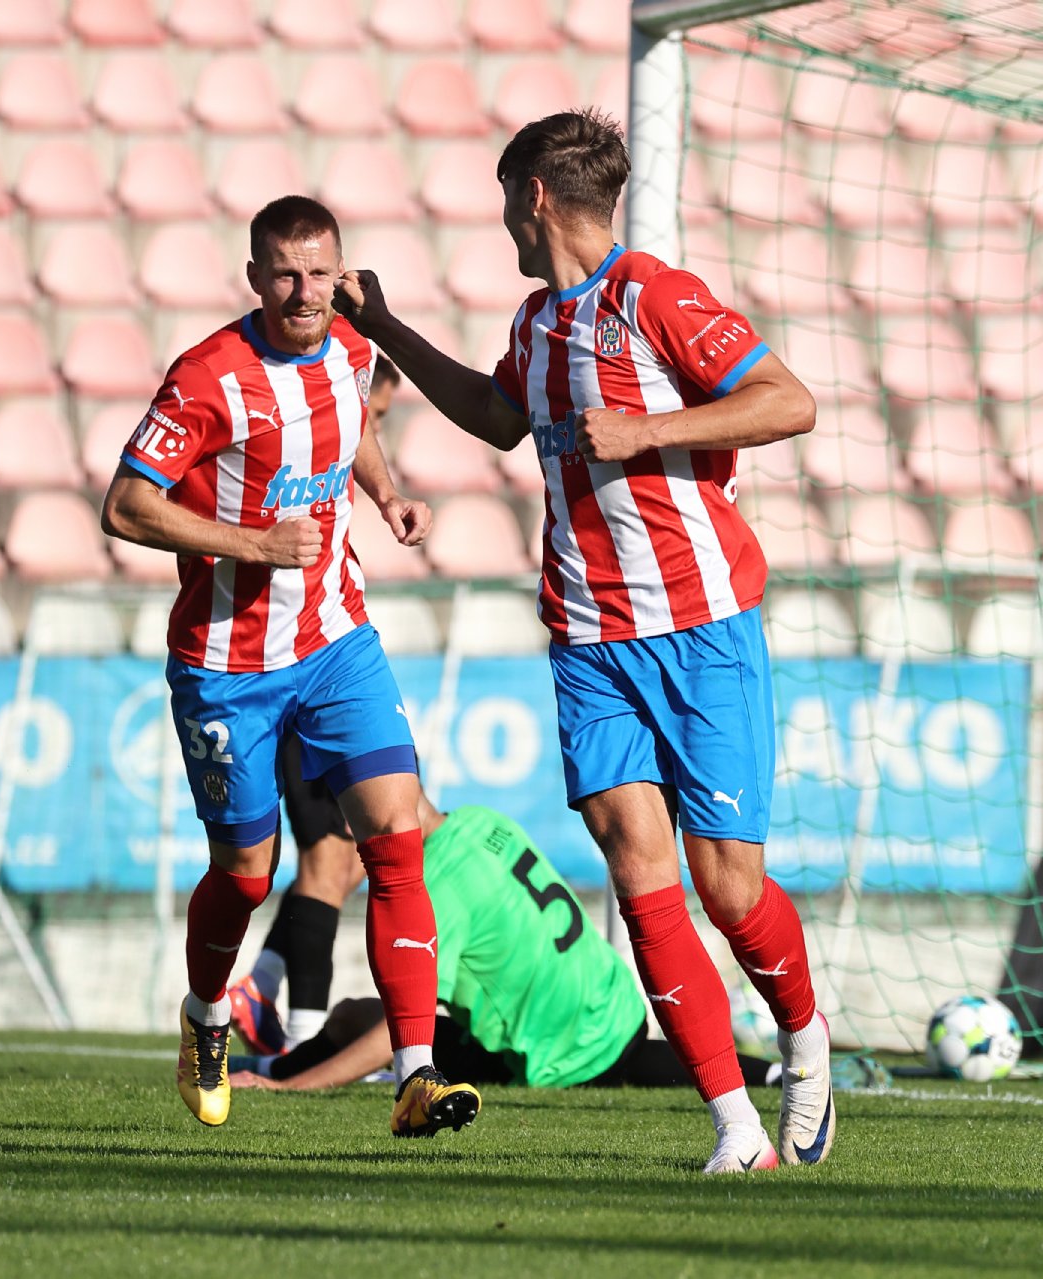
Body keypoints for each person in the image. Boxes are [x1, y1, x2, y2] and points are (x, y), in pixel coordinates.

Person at [334, 109, 834, 1174]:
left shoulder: (655, 296)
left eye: (505, 201)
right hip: (590, 636)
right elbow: (497, 415)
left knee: (729, 890)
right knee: (637, 867)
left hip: (700, 628)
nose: (503, 224)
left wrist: (650, 430)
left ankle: (803, 1035)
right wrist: (387, 329)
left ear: (535, 198)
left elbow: (788, 402)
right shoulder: (537, 324)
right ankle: (737, 1127)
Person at [101, 196, 479, 1139]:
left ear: (338, 272)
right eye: (285, 274)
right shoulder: (209, 377)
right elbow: (125, 506)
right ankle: (206, 1017)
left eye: (319, 272)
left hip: (336, 641)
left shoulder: (352, 344)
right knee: (246, 872)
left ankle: (416, 1073)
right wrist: (254, 545)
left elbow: (350, 431)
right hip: (227, 663)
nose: (305, 291)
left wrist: (386, 496)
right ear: (255, 277)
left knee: (394, 837)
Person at [227, 782, 777, 1094]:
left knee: (383, 1029)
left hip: (565, 1051)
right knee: (352, 1014)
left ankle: (274, 1076)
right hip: (608, 996)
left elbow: (403, 1034)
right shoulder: (477, 820)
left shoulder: (429, 891)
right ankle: (264, 1067)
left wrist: (293, 1092)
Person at [245, 362, 401, 1050]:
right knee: (327, 862)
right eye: (374, 415)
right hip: (296, 676)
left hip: (319, 667)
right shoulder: (304, 454)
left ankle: (262, 986)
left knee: (342, 860)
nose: (371, 431)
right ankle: (304, 1034)